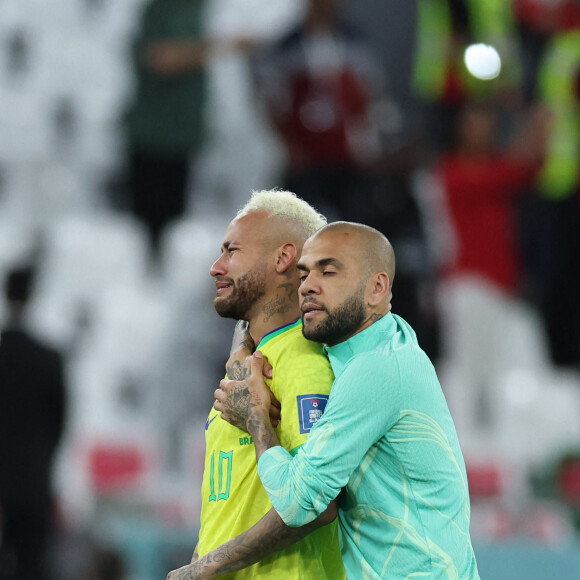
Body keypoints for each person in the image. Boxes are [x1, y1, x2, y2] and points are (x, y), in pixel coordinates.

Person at [215, 222, 481, 579]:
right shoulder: (382, 340)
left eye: (329, 271)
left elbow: (299, 503)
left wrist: (255, 418)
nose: (307, 285)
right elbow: (264, 323)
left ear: (377, 288)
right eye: (304, 273)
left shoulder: (378, 369)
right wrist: (241, 347)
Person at [167, 190, 344, 579]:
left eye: (232, 251)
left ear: (282, 258)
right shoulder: (247, 364)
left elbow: (318, 504)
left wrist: (207, 566)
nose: (216, 267)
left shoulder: (303, 365)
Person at [0, 266, 67, 580]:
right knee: (32, 569)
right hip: (32, 485)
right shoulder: (48, 358)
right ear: (33, 296)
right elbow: (59, 424)